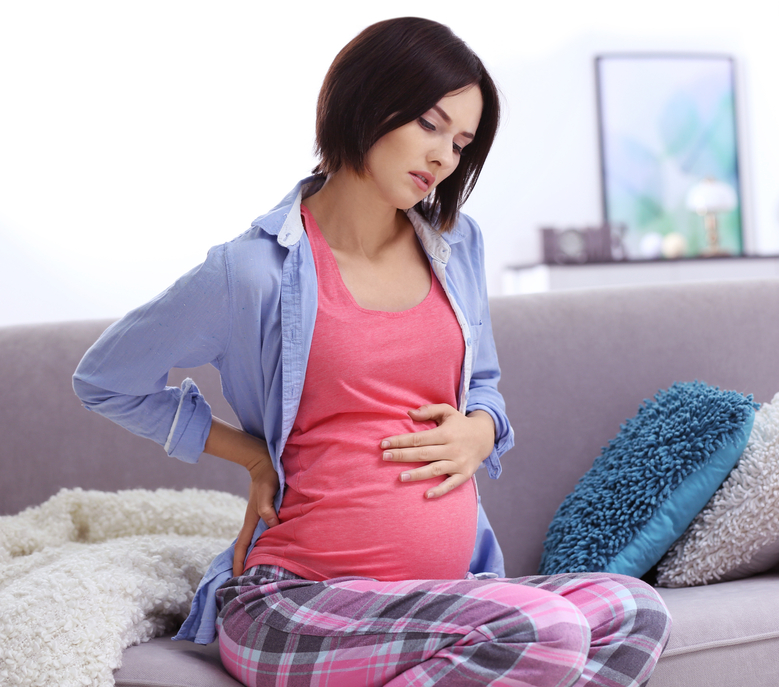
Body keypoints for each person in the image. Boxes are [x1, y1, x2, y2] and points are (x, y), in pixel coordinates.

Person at [73, 17, 670, 687]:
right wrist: (249, 454)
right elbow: (104, 377)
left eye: (462, 140)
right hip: (294, 606)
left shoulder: (455, 244)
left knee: (635, 610)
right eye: (430, 123)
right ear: (364, 101)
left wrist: (482, 428)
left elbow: (486, 387)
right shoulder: (252, 272)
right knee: (545, 629)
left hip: (442, 598)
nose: (445, 155)